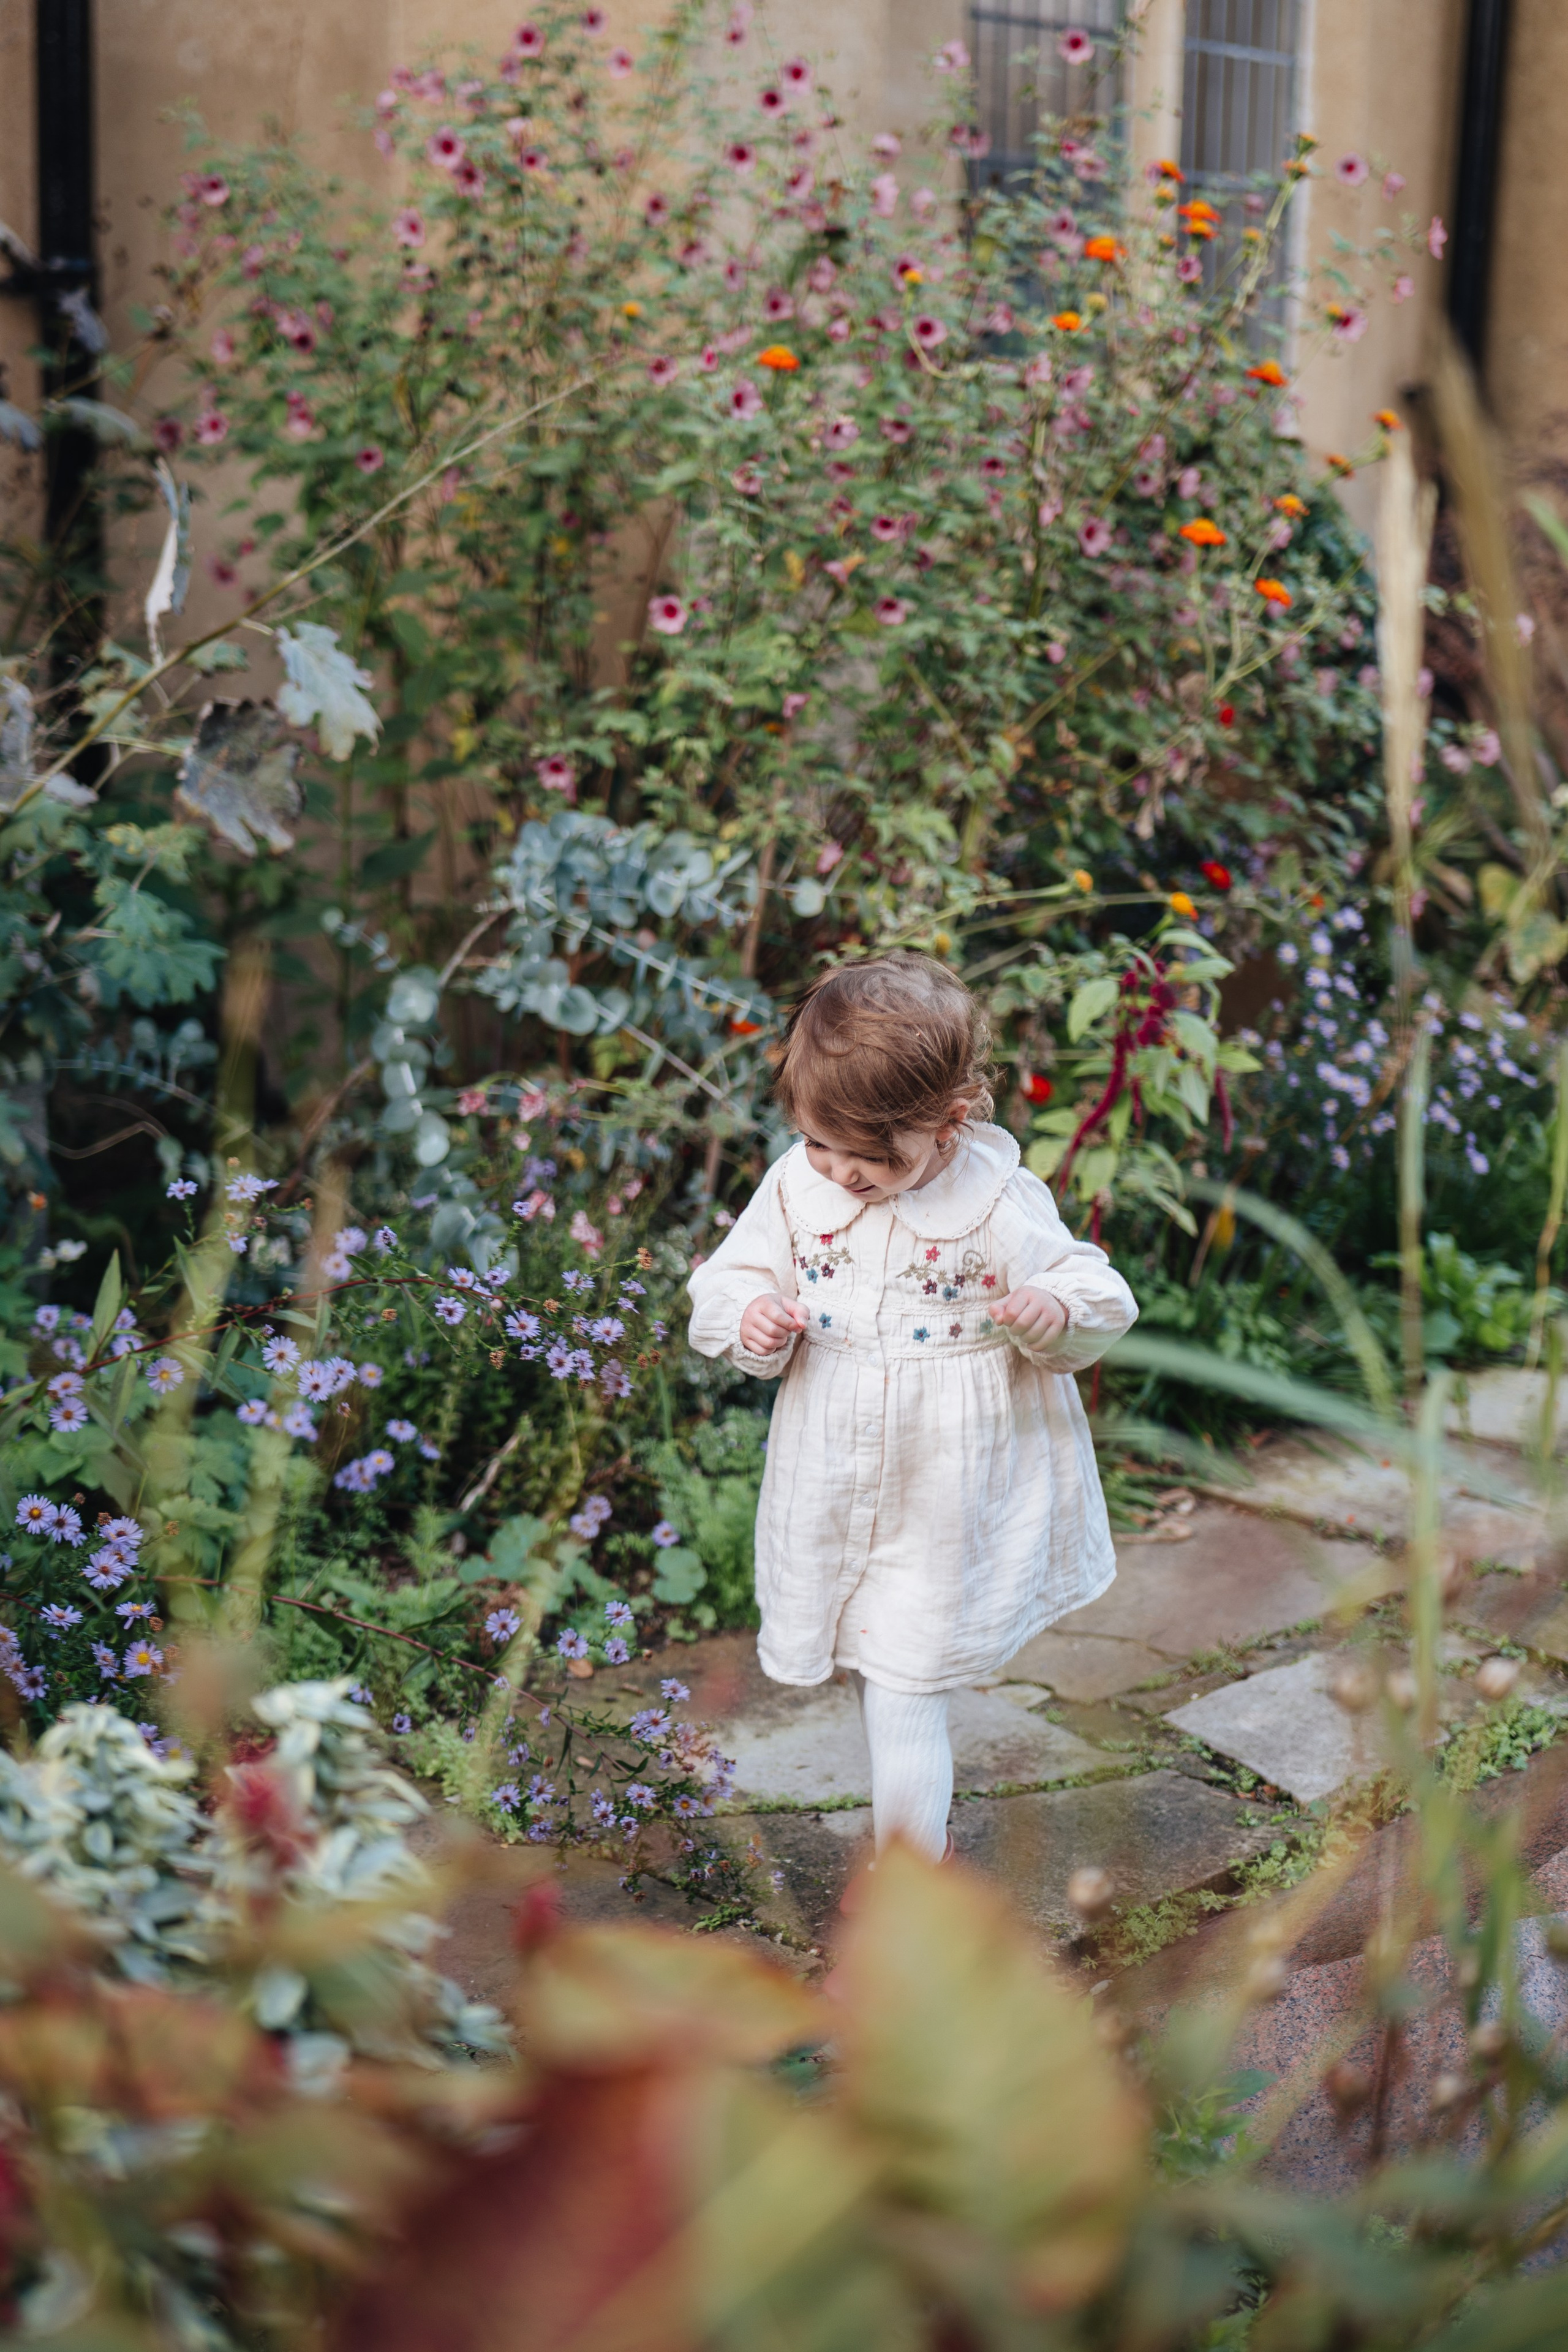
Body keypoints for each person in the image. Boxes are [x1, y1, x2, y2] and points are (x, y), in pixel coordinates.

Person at [687, 952, 1137, 1864]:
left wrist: (1053, 1310)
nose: (842, 1174)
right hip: (834, 1460)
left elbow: (1091, 1287)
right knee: (871, 1652)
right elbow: (729, 1277)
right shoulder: (795, 1185)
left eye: (872, 1156)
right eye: (822, 1145)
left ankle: (906, 1893)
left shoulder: (995, 1203)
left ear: (949, 1121)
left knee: (904, 1682)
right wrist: (753, 1315)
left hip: (947, 1480)